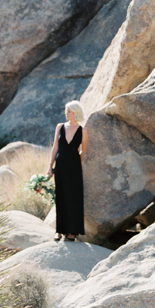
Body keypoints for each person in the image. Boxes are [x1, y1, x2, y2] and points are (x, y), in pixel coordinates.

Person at [47, 100, 88, 241]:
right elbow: (55, 148)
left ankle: (72, 231)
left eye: (69, 111)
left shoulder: (83, 131)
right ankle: (59, 230)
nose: (66, 113)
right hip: (60, 167)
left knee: (74, 198)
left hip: (74, 168)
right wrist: (50, 166)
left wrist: (75, 163)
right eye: (66, 110)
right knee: (61, 196)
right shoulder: (60, 127)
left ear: (75, 113)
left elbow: (83, 151)